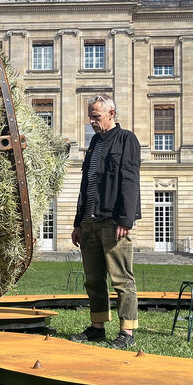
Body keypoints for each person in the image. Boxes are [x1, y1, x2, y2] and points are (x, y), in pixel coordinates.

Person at [70, 93, 141, 349]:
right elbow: (85, 186)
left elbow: (130, 181)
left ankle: (127, 331)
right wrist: (78, 223)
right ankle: (97, 327)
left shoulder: (126, 139)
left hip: (113, 221)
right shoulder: (94, 145)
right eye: (90, 116)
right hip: (89, 221)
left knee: (121, 278)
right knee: (93, 278)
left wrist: (126, 219)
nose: (91, 121)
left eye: (96, 116)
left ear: (111, 114)